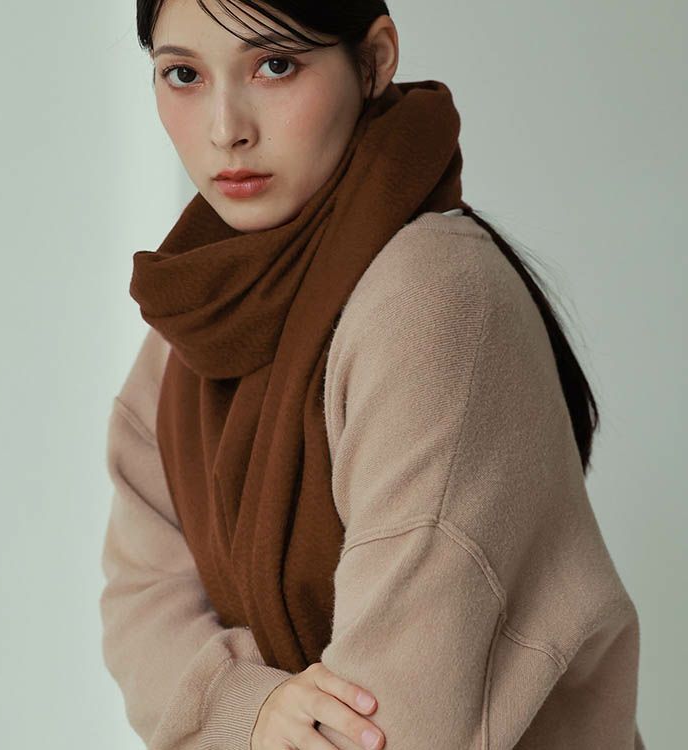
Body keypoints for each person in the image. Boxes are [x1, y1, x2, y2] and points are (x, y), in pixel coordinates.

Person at [99, 1, 646, 749]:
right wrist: (249, 708)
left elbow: (387, 723)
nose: (226, 128)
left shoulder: (434, 303)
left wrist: (227, 714)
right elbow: (140, 604)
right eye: (184, 75)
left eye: (275, 65)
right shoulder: (194, 324)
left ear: (374, 59)